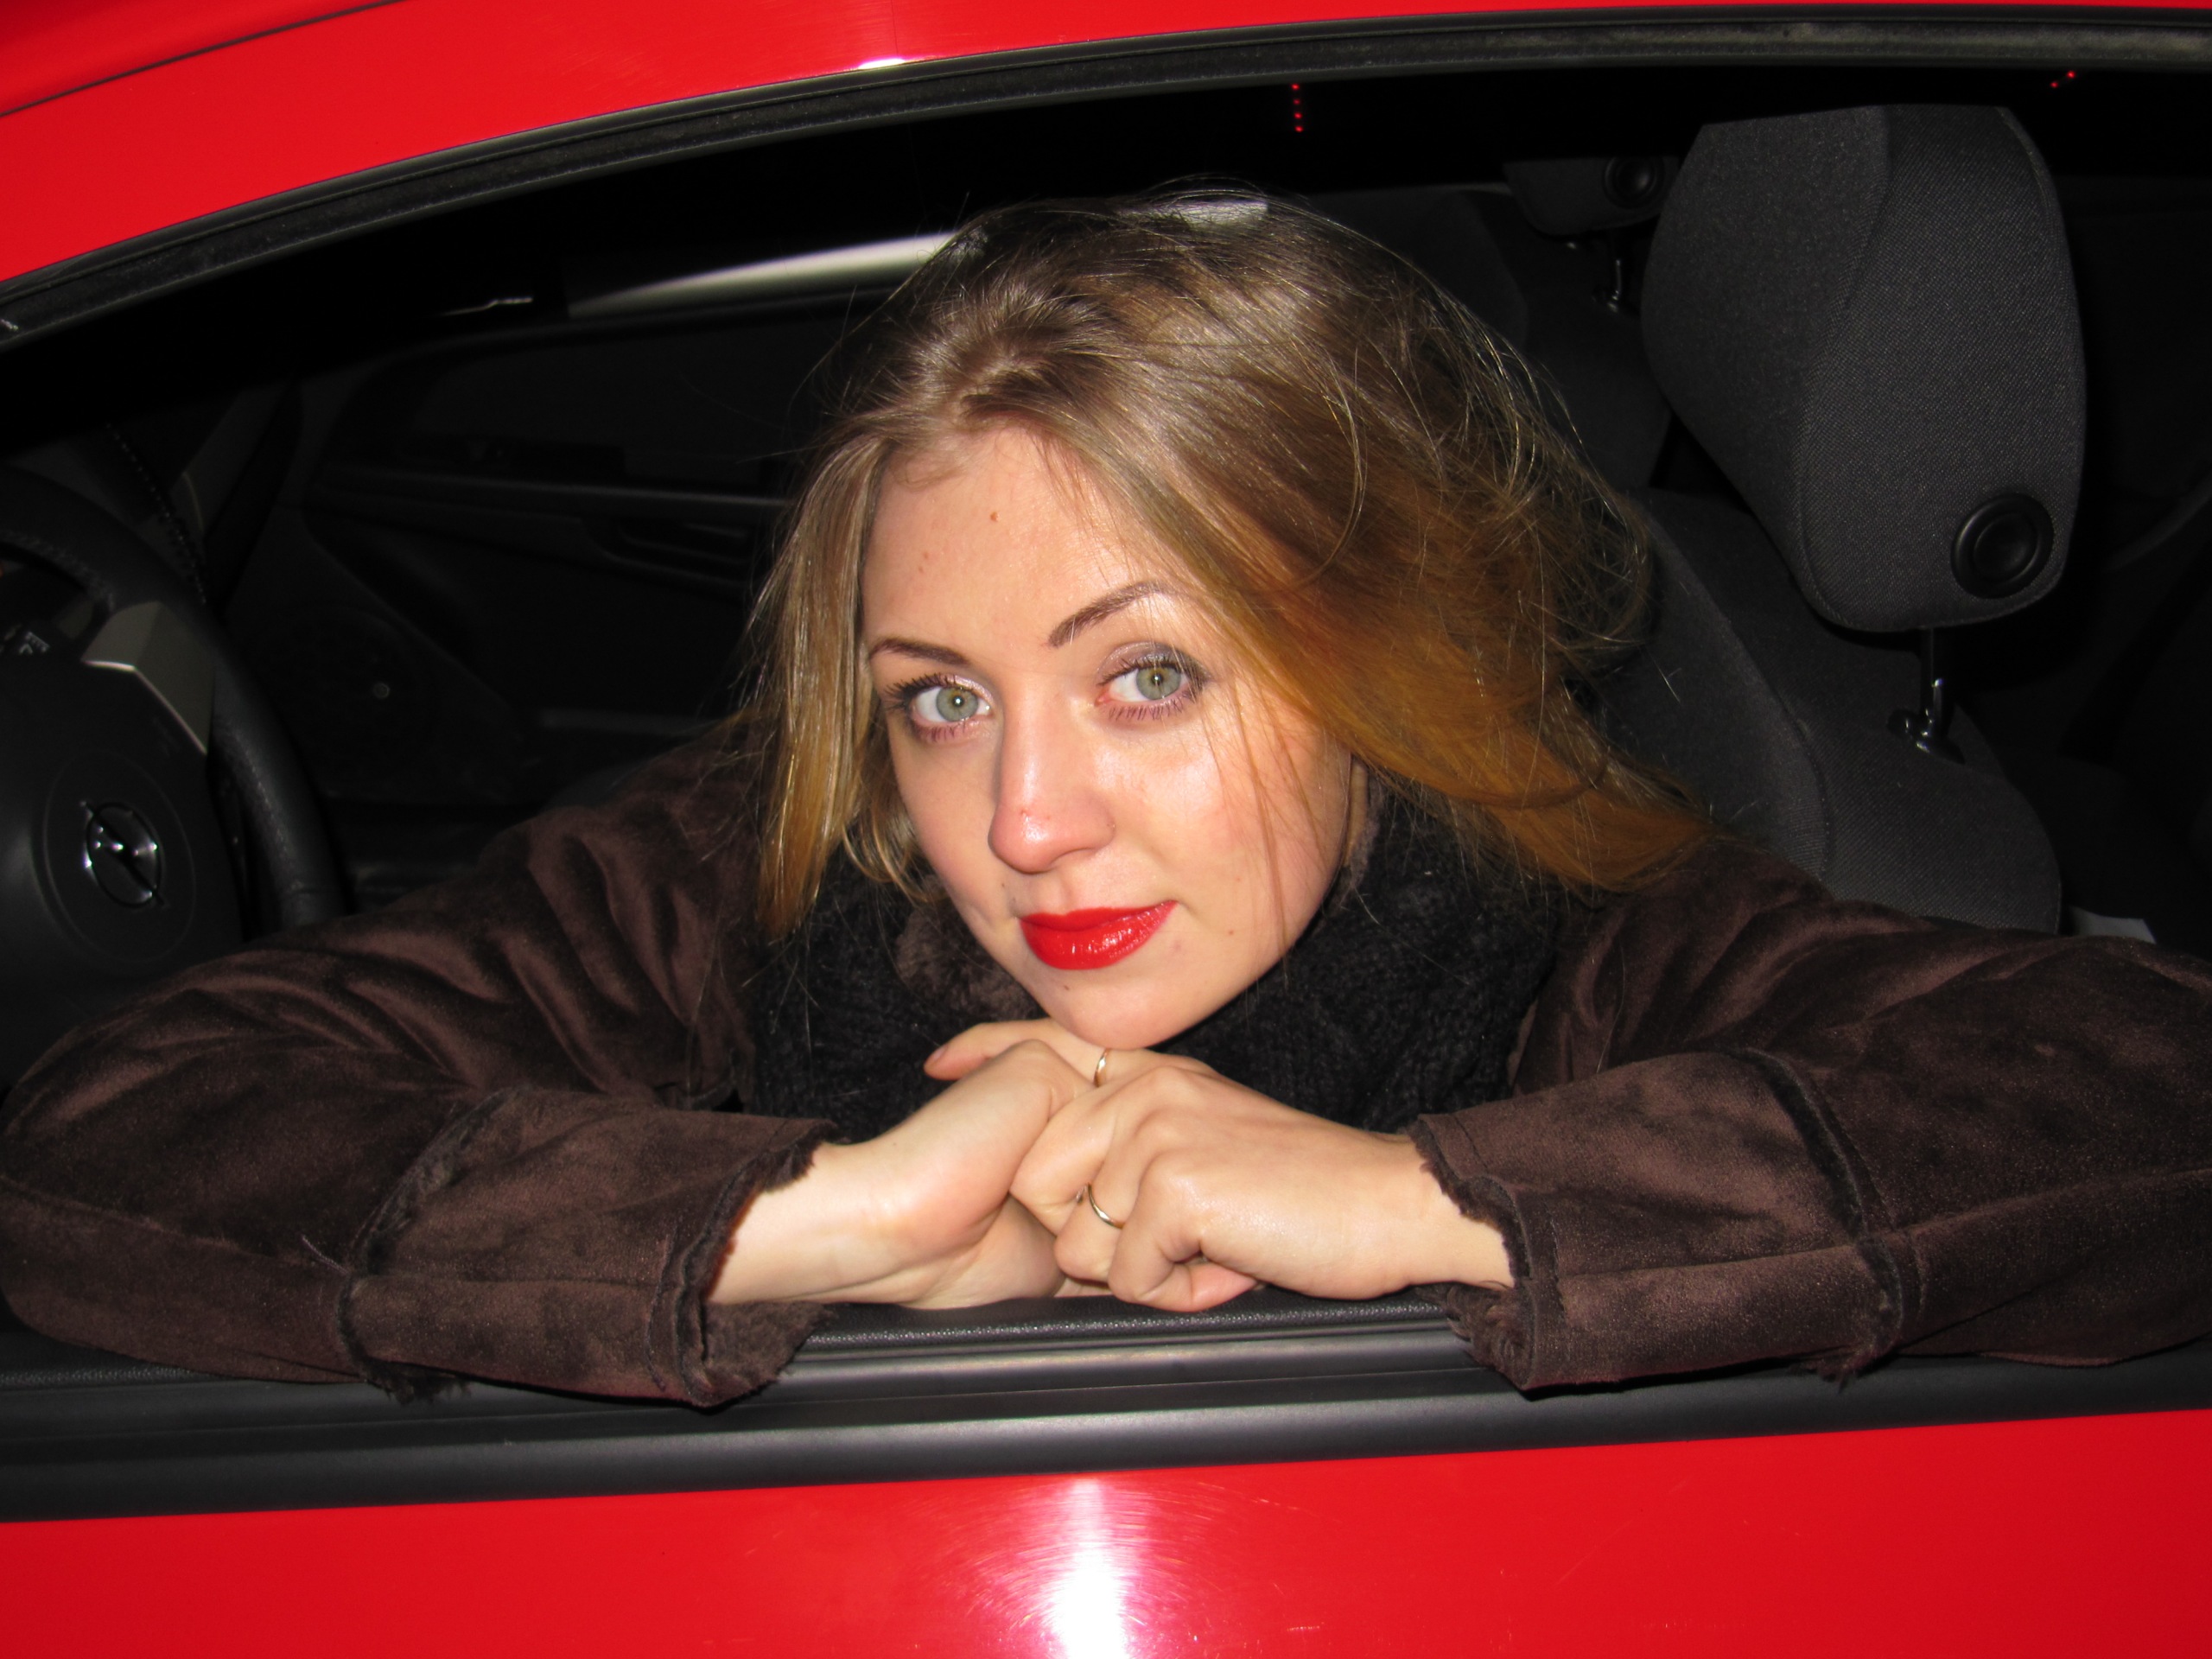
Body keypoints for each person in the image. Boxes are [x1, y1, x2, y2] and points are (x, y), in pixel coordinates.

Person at [2, 194, 2208, 1407]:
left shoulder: (1577, 931)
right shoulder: (759, 863)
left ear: (1380, 669)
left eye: (1147, 676)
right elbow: (112, 1137)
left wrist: (1426, 1205)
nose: (1021, 821)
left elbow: (2144, 1096)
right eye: (939, 698)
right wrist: (812, 1226)